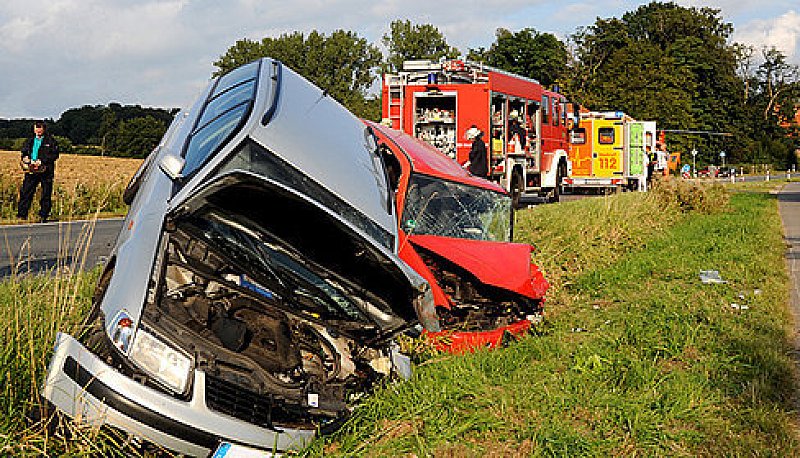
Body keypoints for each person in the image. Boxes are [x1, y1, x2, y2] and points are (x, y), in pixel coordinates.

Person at [17, 121, 59, 222]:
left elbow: (55, 155)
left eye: (40, 129)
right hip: (31, 170)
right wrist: (26, 159)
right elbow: (24, 153)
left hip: (46, 171)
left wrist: (42, 161)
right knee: (26, 192)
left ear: (44, 129)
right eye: (37, 128)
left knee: (46, 194)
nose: (38, 131)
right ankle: (22, 215)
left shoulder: (51, 141)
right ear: (34, 129)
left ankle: (43, 215)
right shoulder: (29, 141)